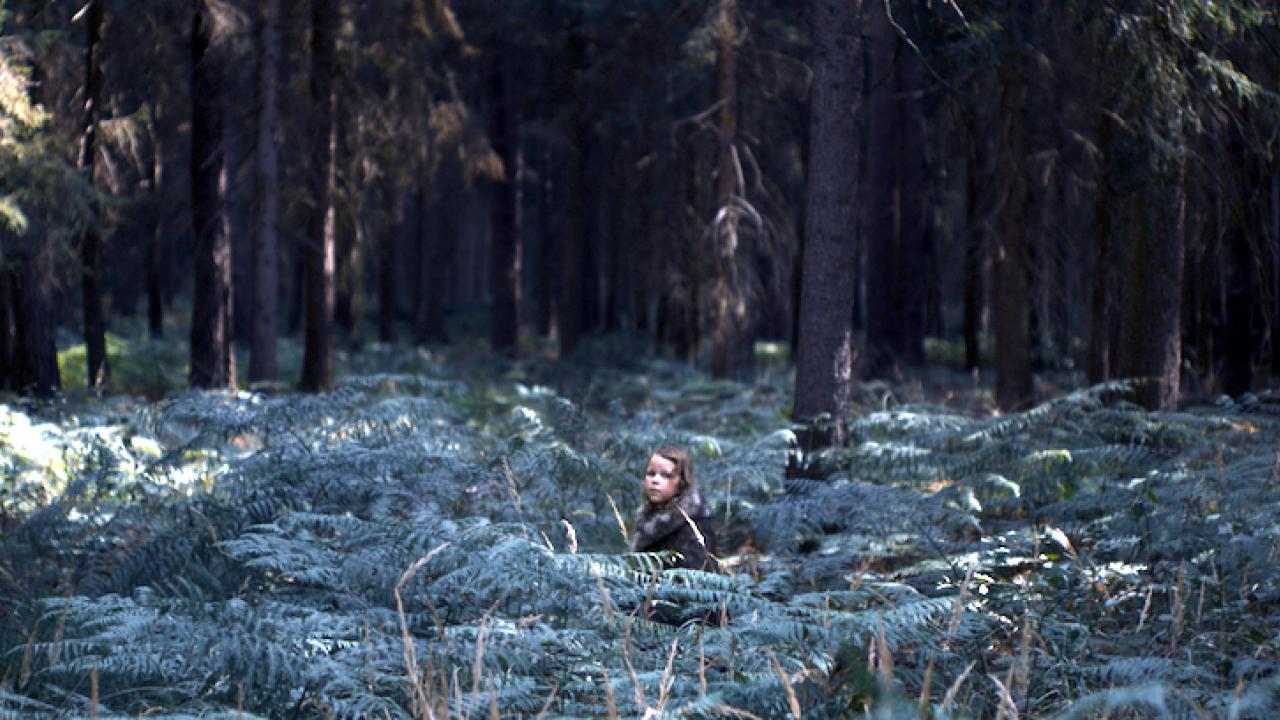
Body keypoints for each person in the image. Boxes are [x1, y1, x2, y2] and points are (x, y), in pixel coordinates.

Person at [629, 446, 720, 573]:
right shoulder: (646, 518)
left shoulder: (695, 523)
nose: (655, 480)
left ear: (682, 481)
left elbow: (696, 579)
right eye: (651, 474)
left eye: (666, 475)